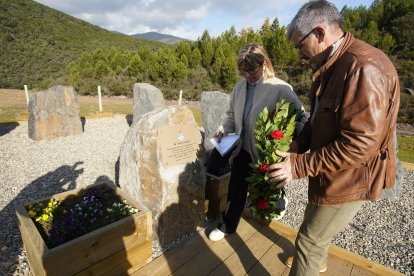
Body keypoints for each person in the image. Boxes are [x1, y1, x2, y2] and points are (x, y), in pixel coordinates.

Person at [266, 1, 400, 275]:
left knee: (309, 241)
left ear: (319, 32)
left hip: (350, 177)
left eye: (300, 46)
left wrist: (298, 165)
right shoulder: (333, 64)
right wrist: (299, 145)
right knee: (314, 227)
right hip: (333, 172)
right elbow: (320, 120)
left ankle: (312, 260)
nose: (300, 56)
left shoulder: (364, 67)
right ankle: (316, 261)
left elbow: (361, 144)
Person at [208, 42, 307, 241]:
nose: (248, 77)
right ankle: (228, 225)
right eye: (243, 72)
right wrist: (223, 131)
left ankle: (279, 201)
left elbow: (301, 118)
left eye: (251, 71)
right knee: (236, 188)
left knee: (268, 186)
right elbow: (230, 116)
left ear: (264, 64)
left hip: (266, 153)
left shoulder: (280, 88)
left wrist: (294, 145)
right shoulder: (239, 88)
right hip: (241, 149)